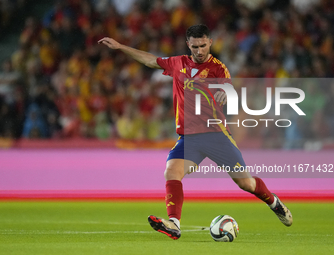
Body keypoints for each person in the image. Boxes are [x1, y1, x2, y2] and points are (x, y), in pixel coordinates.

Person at [98, 24, 293, 240]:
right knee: (171, 172)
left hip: (216, 136)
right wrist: (120, 46)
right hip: (189, 138)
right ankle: (173, 223)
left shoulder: (218, 68)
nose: (199, 51)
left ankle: (274, 202)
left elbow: (228, 88)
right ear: (188, 45)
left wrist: (225, 94)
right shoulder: (178, 63)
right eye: (195, 46)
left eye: (203, 45)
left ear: (210, 42)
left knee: (245, 183)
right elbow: (150, 60)